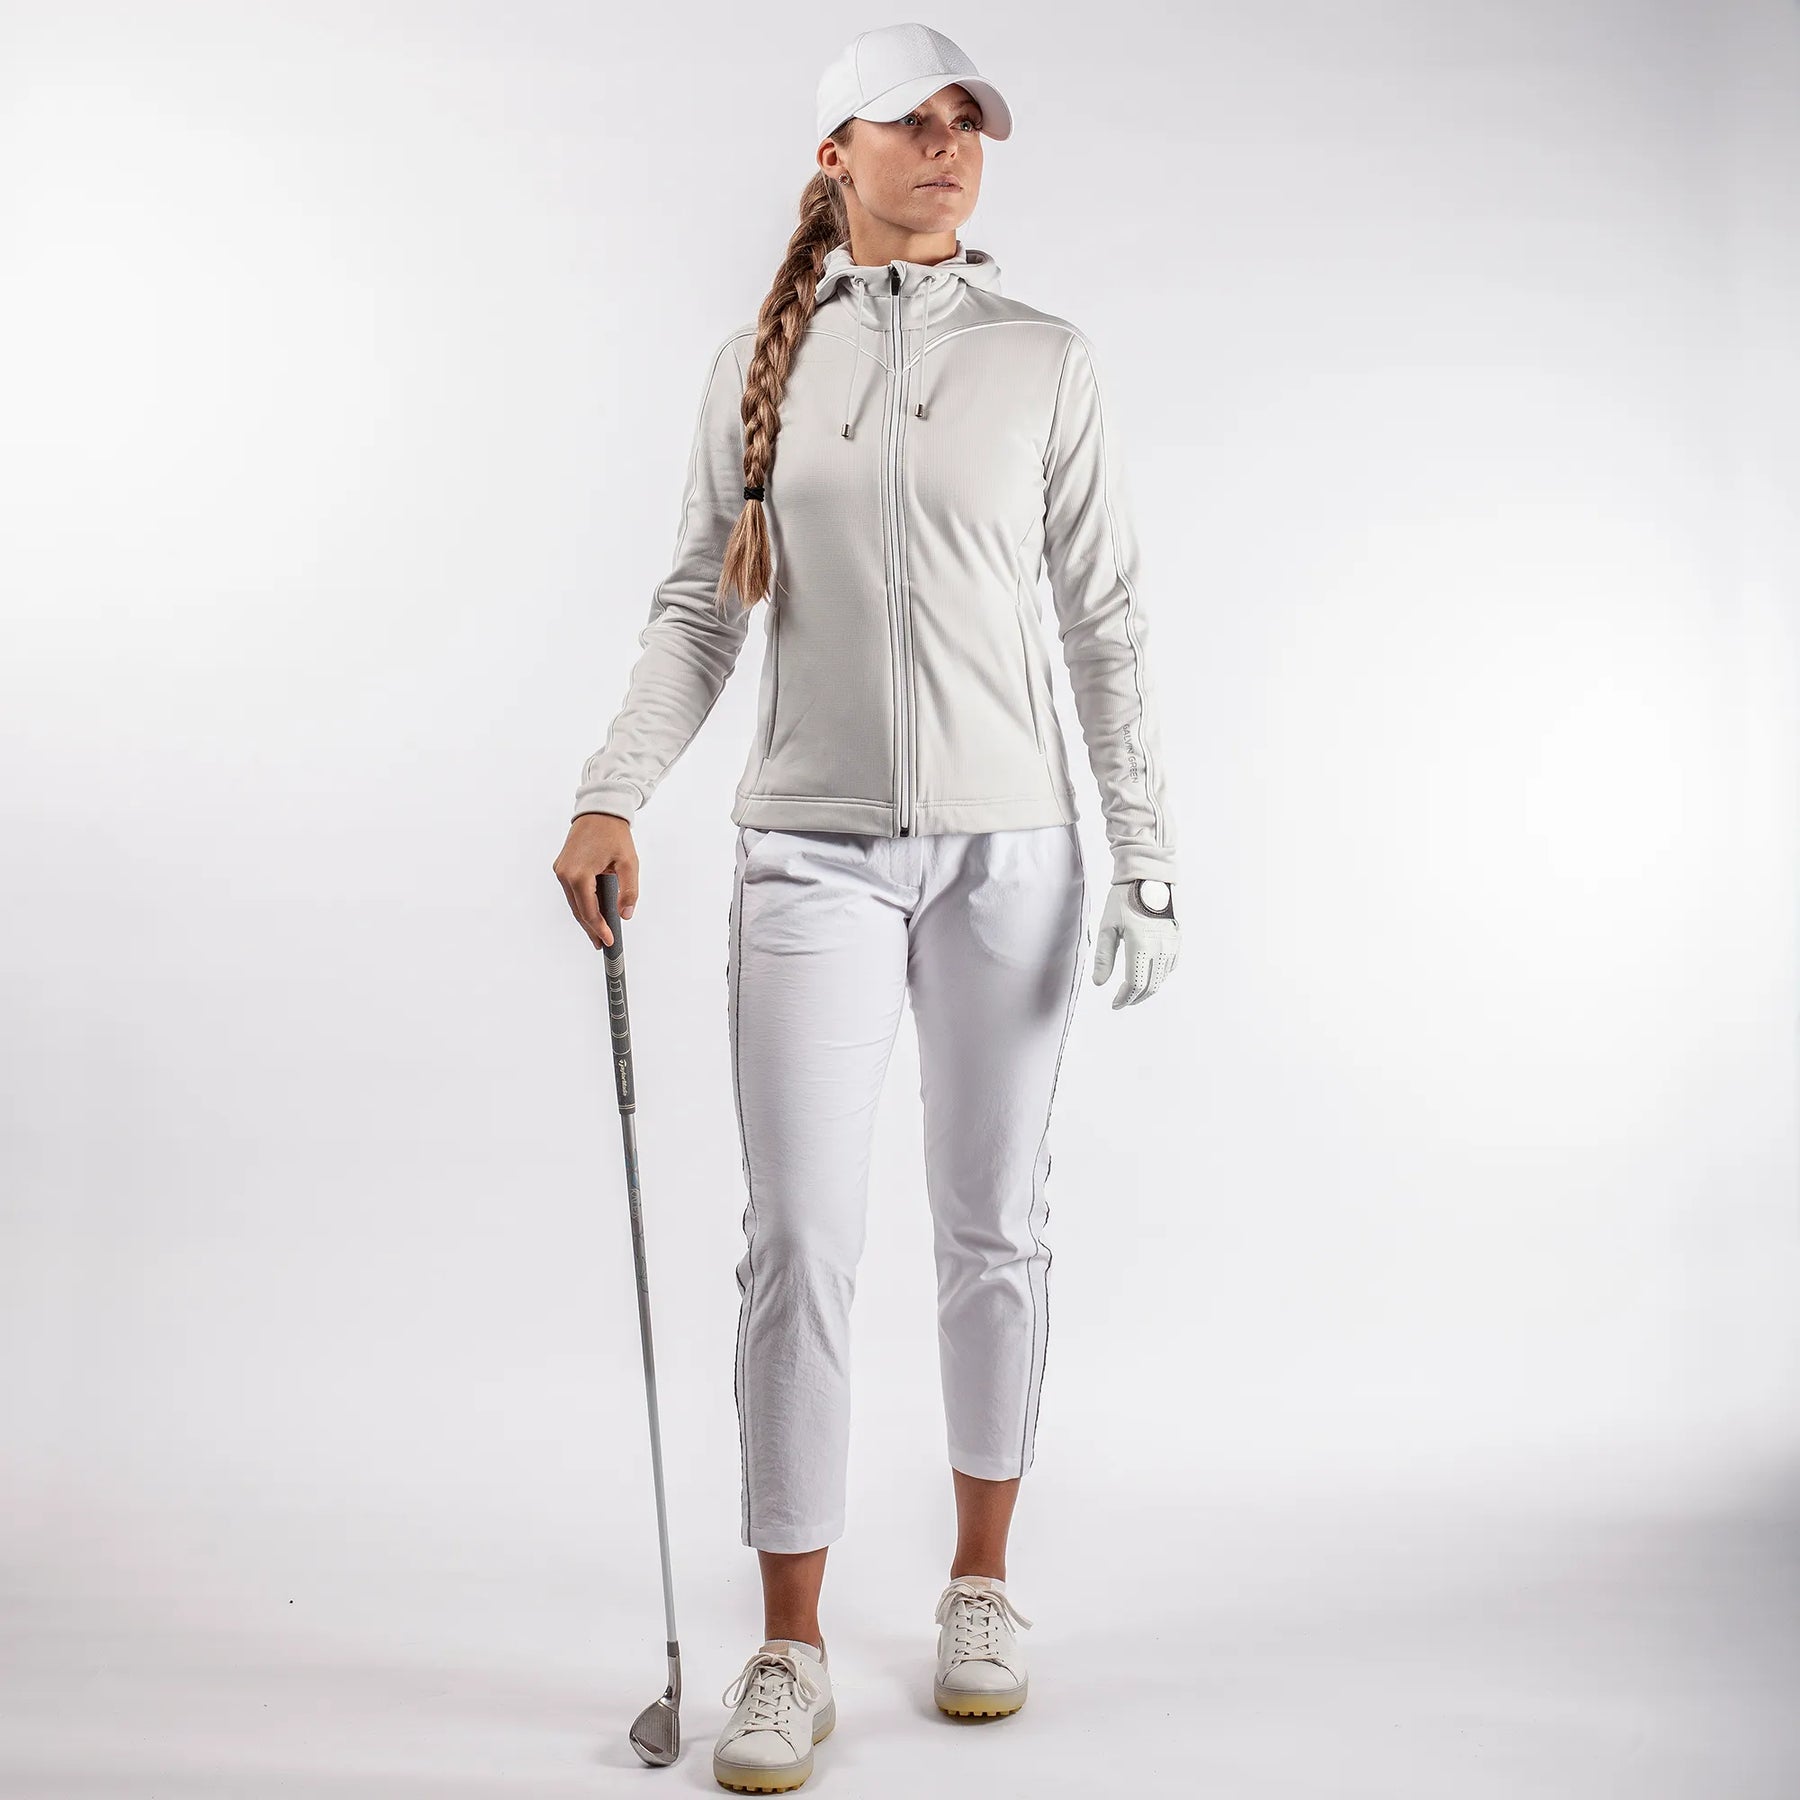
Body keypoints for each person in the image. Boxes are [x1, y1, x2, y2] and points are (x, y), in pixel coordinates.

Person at [552, 23, 1180, 1792]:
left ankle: (982, 1587)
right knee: (798, 1245)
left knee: (993, 1230)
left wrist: (1143, 853)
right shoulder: (763, 363)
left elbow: (1104, 622)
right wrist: (611, 788)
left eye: (968, 121)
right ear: (837, 153)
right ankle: (791, 1647)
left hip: (1011, 853)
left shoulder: (1044, 359)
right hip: (809, 853)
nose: (947, 145)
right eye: (911, 122)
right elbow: (701, 609)